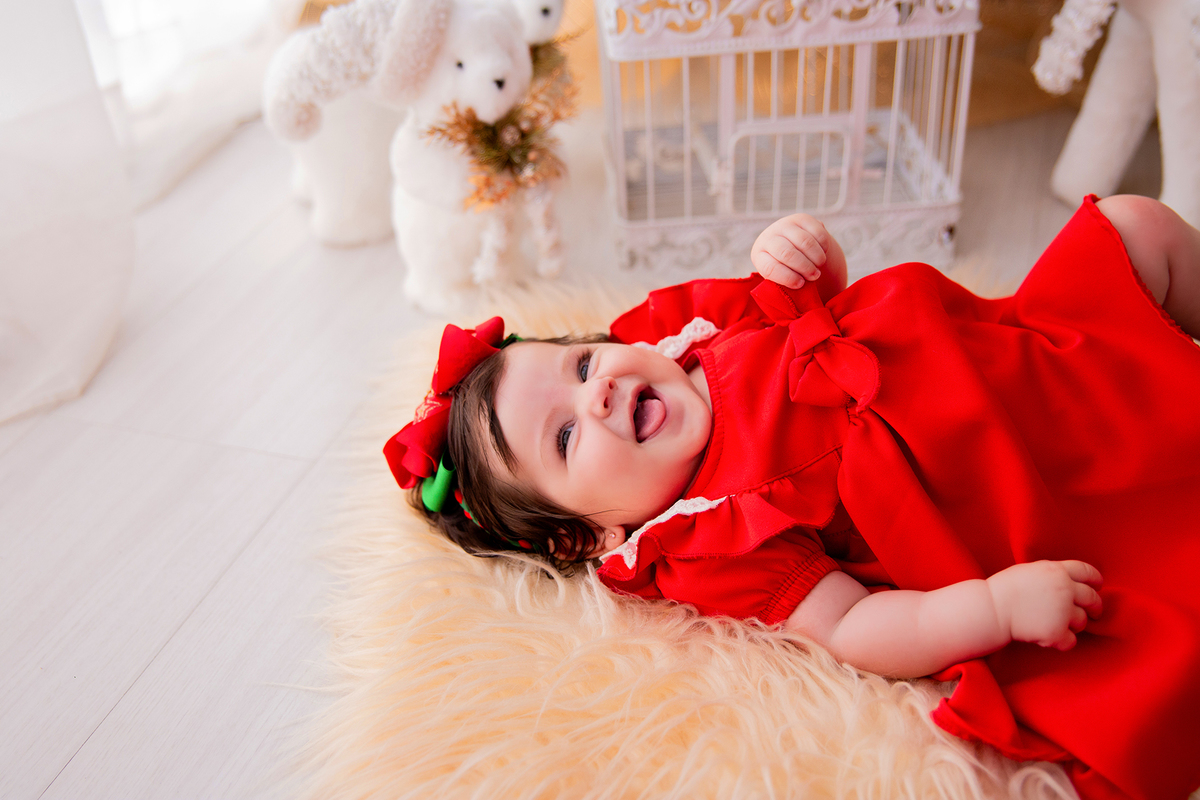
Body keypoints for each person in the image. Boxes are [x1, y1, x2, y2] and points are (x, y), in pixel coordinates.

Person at [384, 195, 1200, 800]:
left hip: (1016, 356)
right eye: (564, 440)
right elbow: (853, 626)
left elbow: (806, 304)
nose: (596, 396)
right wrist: (994, 607)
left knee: (1136, 230)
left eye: (584, 366)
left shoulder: (692, 337)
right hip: (1011, 475)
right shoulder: (711, 538)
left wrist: (804, 256)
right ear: (589, 537)